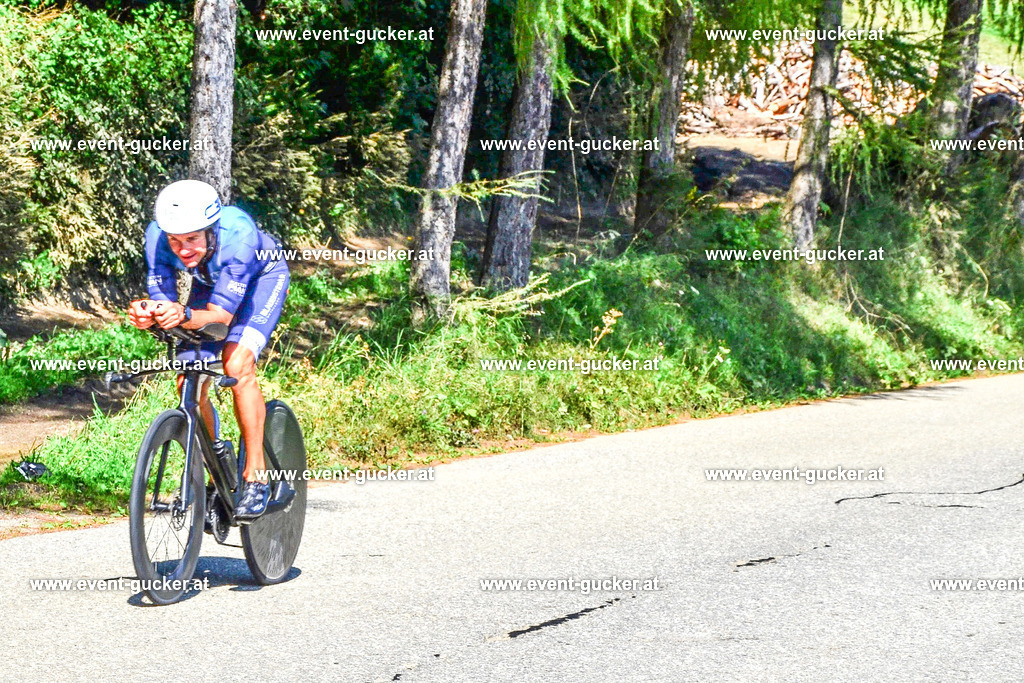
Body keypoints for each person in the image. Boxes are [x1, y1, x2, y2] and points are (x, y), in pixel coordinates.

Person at [127, 179, 289, 520]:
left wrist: (183, 314)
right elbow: (163, 300)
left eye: (192, 239)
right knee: (189, 381)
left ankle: (257, 474)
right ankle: (217, 470)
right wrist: (150, 314)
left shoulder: (240, 237)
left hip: (262, 279)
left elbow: (221, 319)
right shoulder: (157, 237)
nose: (182, 249)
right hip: (211, 285)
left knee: (236, 363)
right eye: (175, 241)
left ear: (211, 230)